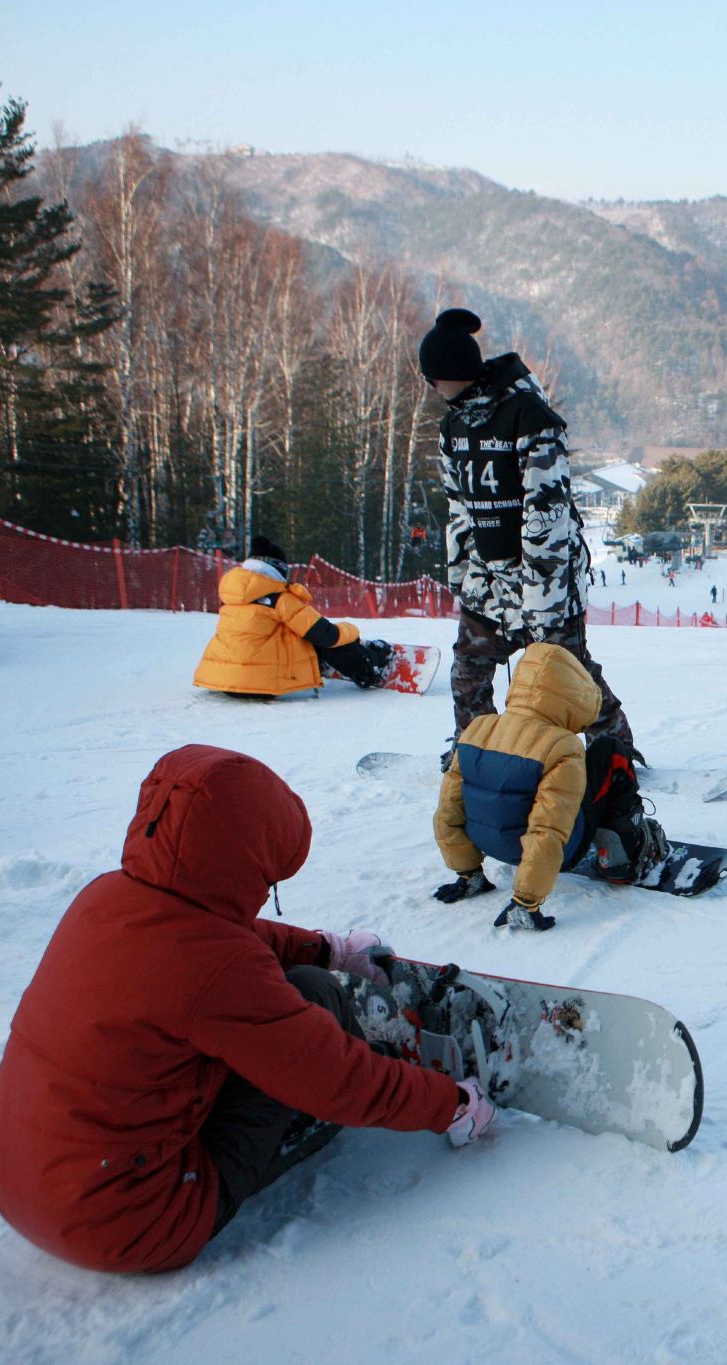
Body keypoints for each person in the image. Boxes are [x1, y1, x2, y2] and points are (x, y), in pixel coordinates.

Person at [0, 745, 494, 1274]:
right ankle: (357, 1074)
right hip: (138, 1223)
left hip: (19, 1185)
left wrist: (327, 947)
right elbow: (334, 1077)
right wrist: (448, 1104)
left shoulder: (107, 897)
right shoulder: (218, 968)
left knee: (298, 987)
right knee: (315, 997)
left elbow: (213, 935)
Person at [420, 308, 636, 755]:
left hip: (545, 576)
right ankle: (476, 750)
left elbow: (547, 510)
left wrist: (540, 595)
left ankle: (612, 751)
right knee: (469, 670)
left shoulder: (528, 417)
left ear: (455, 370)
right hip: (489, 577)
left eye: (434, 376)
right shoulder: (453, 424)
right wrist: (462, 572)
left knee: (566, 674)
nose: (431, 386)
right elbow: (459, 505)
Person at [432, 643, 665, 931]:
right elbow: (548, 827)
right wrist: (525, 901)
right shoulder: (561, 746)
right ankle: (626, 849)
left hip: (490, 844)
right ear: (570, 694)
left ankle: (477, 875)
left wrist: (468, 872)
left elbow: (447, 814)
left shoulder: (477, 729)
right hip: (562, 851)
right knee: (610, 752)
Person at [192, 537, 395, 698]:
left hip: (223, 681)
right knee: (318, 636)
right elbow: (327, 635)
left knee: (288, 630)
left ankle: (317, 663)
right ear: (278, 569)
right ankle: (370, 668)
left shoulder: (232, 599)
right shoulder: (280, 599)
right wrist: (352, 631)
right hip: (259, 684)